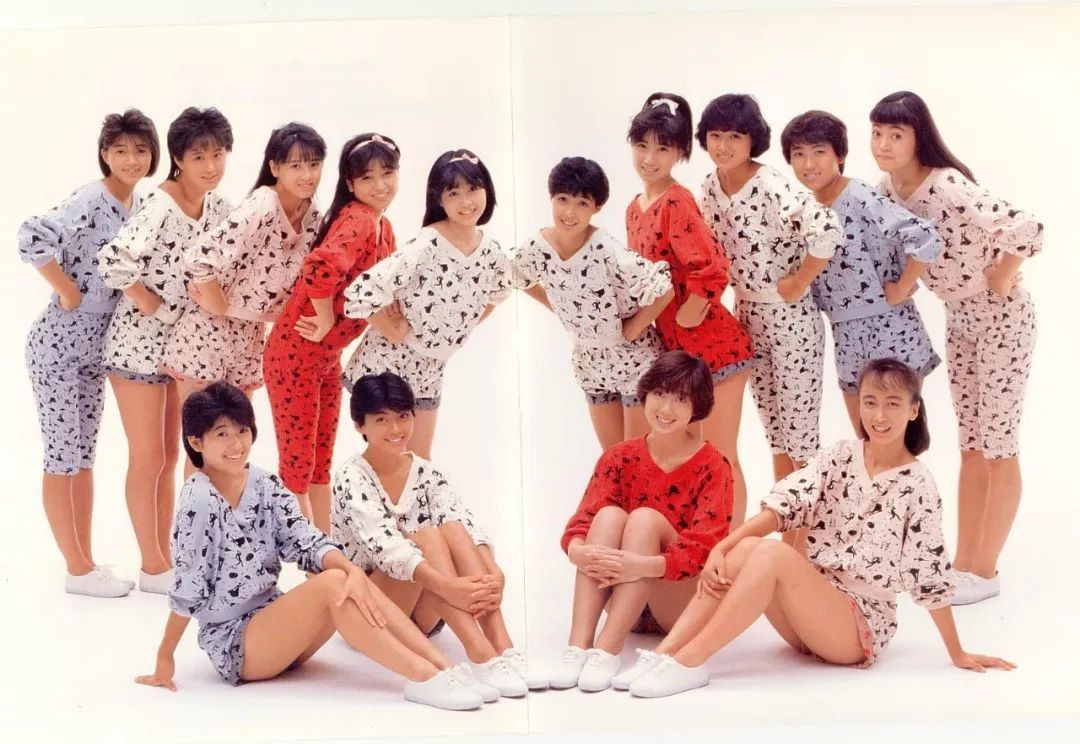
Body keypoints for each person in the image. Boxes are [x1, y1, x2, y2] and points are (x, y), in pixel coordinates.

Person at [625, 359, 1014, 699]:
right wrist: (721, 548)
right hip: (809, 613)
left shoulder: (918, 485)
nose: (879, 416)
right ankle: (665, 654)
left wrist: (957, 652)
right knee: (744, 549)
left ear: (914, 410)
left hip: (858, 626)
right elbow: (786, 504)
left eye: (892, 404)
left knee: (773, 553)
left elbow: (927, 571)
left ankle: (691, 661)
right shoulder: (841, 455)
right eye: (870, 402)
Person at [135, 381, 486, 711]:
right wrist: (165, 656)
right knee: (334, 582)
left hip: (278, 627)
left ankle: (441, 665)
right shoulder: (198, 499)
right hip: (236, 644)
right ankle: (423, 677)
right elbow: (188, 586)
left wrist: (349, 569)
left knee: (345, 576)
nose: (237, 444)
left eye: (242, 431)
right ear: (197, 442)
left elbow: (304, 538)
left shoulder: (264, 483)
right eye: (222, 434)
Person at [870, 91, 1041, 605]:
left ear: (918, 137)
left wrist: (1003, 272)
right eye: (877, 133)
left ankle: (985, 571)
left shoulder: (946, 185)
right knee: (971, 444)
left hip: (1001, 319)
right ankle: (964, 563)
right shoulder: (885, 190)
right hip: (958, 319)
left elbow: (1028, 227)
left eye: (896, 135)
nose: (883, 144)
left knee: (999, 444)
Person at [331, 372, 546, 698]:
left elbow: (463, 521)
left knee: (453, 529)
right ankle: (479, 653)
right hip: (369, 612)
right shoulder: (351, 476)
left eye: (403, 416)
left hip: (425, 612)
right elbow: (388, 549)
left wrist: (493, 572)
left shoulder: (426, 472)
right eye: (381, 420)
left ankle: (503, 647)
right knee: (427, 539)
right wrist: (448, 586)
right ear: (360, 425)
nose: (396, 429)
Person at [19, 108, 159, 597]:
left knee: (83, 456)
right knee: (62, 456)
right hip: (58, 346)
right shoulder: (90, 198)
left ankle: (86, 562)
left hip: (98, 351)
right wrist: (68, 291)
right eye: (120, 150)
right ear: (104, 154)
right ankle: (77, 570)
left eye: (140, 150)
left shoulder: (140, 205)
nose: (131, 159)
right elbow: (32, 238)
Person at [97, 106, 233, 593]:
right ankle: (153, 566)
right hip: (135, 348)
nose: (211, 167)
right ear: (177, 159)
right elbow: (112, 260)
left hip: (183, 351)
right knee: (148, 457)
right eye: (199, 157)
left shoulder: (219, 207)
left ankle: (170, 556)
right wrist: (150, 304)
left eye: (218, 155)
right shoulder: (158, 205)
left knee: (174, 456)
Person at [552, 351, 734, 692]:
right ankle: (579, 646)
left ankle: (608, 650)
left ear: (697, 406)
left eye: (681, 399)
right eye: (660, 393)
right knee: (608, 516)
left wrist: (639, 565)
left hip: (677, 601)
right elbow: (584, 519)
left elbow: (702, 550)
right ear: (646, 393)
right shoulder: (620, 457)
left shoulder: (714, 465)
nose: (666, 408)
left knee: (645, 520)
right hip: (622, 593)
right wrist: (577, 550)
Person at [624, 92, 755, 525]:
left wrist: (691, 308)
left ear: (680, 152)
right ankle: (703, 545)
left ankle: (732, 548)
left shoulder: (676, 201)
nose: (650, 158)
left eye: (663, 148)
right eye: (642, 145)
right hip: (679, 355)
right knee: (694, 457)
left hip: (716, 350)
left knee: (720, 455)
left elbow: (712, 267)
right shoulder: (634, 209)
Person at [697, 93, 843, 483]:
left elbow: (827, 230)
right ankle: (784, 520)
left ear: (753, 139)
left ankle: (808, 524)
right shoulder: (709, 187)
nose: (723, 146)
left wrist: (798, 282)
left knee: (801, 441)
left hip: (791, 319)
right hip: (746, 316)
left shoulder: (770, 185)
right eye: (715, 135)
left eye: (735, 136)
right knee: (775, 436)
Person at [262, 132, 399, 532]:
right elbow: (320, 267)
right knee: (298, 467)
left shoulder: (383, 225)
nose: (380, 185)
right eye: (367, 177)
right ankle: (306, 555)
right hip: (295, 355)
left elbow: (377, 290)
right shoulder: (358, 219)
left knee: (319, 463)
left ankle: (324, 546)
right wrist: (324, 319)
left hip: (325, 359)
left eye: (388, 173)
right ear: (351, 184)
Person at [341, 148, 513, 460]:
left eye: (473, 189)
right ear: (439, 199)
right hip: (388, 365)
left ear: (487, 189)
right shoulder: (426, 245)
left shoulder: (492, 253)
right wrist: (391, 329)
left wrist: (458, 329)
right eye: (454, 193)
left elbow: (499, 292)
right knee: (389, 458)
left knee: (419, 461)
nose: (466, 201)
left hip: (431, 371)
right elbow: (359, 293)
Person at [780, 109, 941, 433]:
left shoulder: (858, 195)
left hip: (889, 330)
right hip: (846, 337)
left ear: (839, 155)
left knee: (894, 441)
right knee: (865, 442)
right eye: (798, 154)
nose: (808, 164)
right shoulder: (806, 211)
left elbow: (925, 236)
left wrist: (903, 286)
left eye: (819, 152)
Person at [512, 156, 674, 449]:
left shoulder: (606, 250)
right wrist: (557, 306)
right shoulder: (536, 248)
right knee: (612, 459)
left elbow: (664, 290)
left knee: (636, 458)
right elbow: (517, 275)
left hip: (636, 362)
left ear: (596, 208)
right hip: (590, 363)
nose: (569, 212)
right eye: (562, 199)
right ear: (551, 198)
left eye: (582, 203)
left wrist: (632, 329)